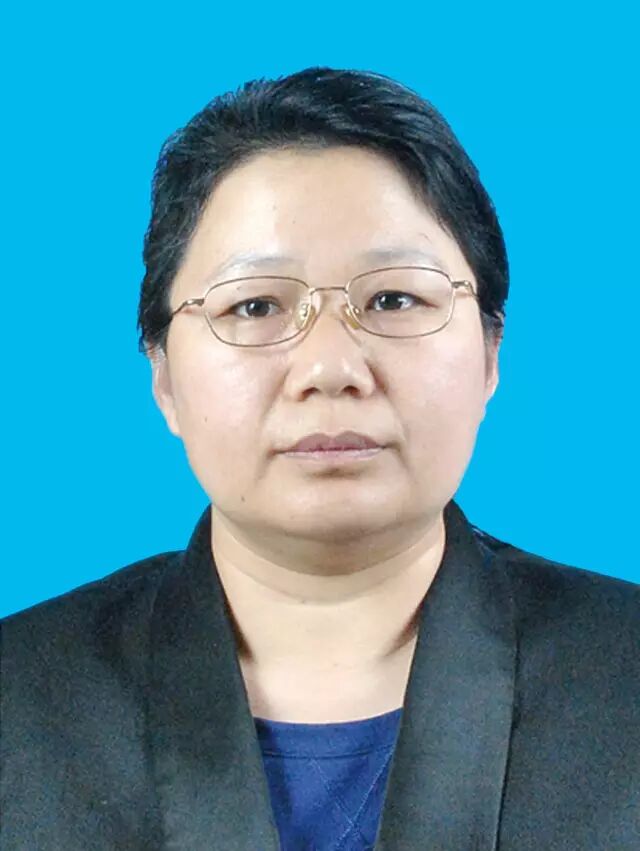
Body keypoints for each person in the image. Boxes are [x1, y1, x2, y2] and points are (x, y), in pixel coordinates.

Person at [1, 67, 638, 851]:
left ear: (489, 353)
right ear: (163, 374)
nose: (331, 366)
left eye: (394, 299)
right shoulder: (19, 702)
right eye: (255, 305)